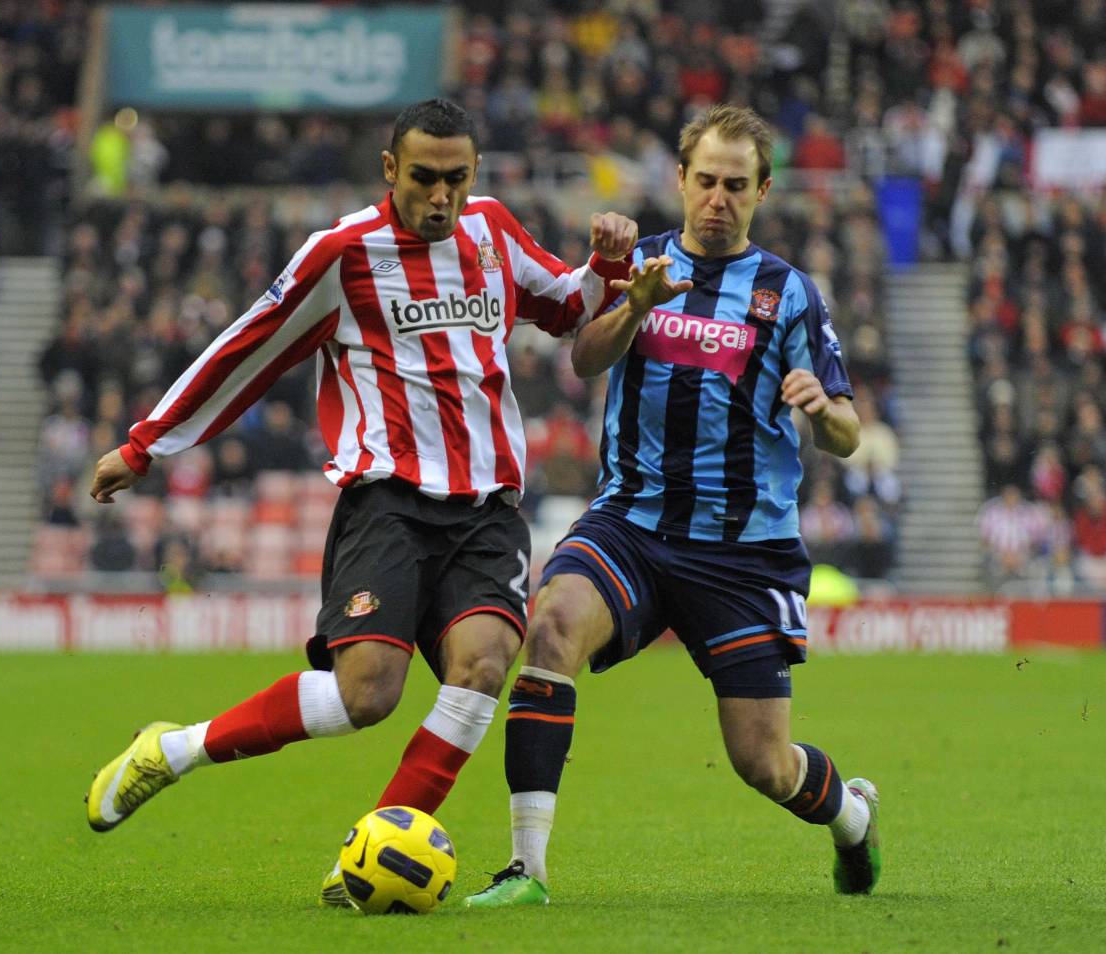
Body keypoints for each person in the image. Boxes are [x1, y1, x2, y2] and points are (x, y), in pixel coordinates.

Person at [83, 100, 638, 907]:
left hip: (487, 509)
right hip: (388, 505)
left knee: (482, 666)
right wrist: (145, 445)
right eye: (423, 179)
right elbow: (247, 346)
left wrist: (608, 266)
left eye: (455, 178)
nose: (440, 197)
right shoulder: (342, 255)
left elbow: (567, 309)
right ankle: (173, 750)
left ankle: (376, 856)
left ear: (473, 175)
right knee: (366, 695)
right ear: (390, 171)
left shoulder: (492, 231)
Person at [466, 104, 881, 908]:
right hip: (632, 523)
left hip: (742, 551)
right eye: (704, 182)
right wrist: (635, 303)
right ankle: (528, 871)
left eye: (735, 185)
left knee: (764, 763)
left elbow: (849, 433)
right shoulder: (644, 261)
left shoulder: (789, 294)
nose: (717, 198)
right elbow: (585, 360)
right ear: (682, 182)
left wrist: (819, 409)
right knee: (549, 629)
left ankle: (853, 820)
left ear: (763, 191)